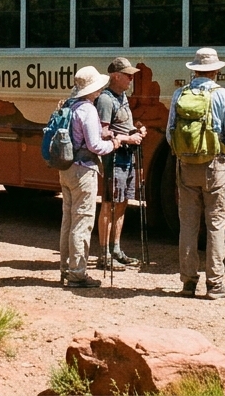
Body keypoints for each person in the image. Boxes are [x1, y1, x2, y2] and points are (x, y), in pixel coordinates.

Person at [165, 47, 225, 300]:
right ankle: (215, 283)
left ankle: (188, 282)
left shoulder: (180, 93)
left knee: (188, 226)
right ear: (216, 70)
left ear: (194, 69)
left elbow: (170, 134)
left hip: (186, 167)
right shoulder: (222, 95)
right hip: (215, 165)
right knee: (216, 225)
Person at [59, 65, 120, 289]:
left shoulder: (69, 105)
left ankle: (65, 268)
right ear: (92, 89)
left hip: (65, 168)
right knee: (82, 221)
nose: (100, 91)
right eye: (97, 88)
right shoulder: (88, 110)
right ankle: (77, 274)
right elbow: (95, 146)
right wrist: (113, 143)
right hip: (84, 170)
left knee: (68, 220)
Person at [95, 57, 147, 271]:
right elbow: (103, 132)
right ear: (115, 76)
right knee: (109, 203)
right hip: (113, 158)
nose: (131, 78)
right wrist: (127, 139)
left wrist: (136, 131)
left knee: (123, 201)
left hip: (127, 156)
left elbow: (122, 125)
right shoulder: (106, 100)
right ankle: (103, 254)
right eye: (127, 75)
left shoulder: (122, 96)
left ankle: (116, 249)